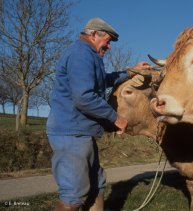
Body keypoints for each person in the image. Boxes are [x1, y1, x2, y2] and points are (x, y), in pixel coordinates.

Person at [46, 17, 151, 211]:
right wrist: (116, 119)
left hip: (80, 132)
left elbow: (105, 79)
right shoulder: (81, 54)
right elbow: (84, 97)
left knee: (96, 185)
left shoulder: (88, 55)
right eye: (108, 41)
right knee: (74, 193)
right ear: (94, 34)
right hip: (70, 134)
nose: (109, 47)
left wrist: (131, 72)